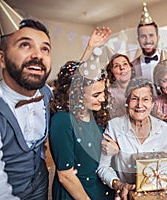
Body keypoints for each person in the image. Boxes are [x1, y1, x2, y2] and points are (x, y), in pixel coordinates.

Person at [48, 28, 115, 199]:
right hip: (78, 194)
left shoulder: (94, 114)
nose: (102, 98)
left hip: (99, 189)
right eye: (96, 95)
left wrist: (113, 151)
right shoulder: (62, 121)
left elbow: (80, 76)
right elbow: (66, 176)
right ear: (77, 94)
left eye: (103, 92)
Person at [97, 78, 167, 200]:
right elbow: (103, 167)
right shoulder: (114, 126)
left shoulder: (163, 128)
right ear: (127, 101)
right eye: (134, 99)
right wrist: (119, 185)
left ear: (153, 103)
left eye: (145, 99)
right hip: (126, 196)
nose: (139, 105)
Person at [0, 18, 52, 199]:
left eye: (45, 48)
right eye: (25, 45)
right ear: (2, 59)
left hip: (40, 183)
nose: (38, 55)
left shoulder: (47, 93)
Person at [106, 53, 134, 118]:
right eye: (116, 66)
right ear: (111, 71)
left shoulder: (141, 89)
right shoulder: (108, 94)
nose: (122, 68)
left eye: (125, 64)